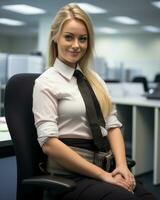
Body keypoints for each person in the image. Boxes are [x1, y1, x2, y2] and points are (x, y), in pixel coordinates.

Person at [32, 3, 156, 200]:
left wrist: (122, 167)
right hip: (72, 175)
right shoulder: (45, 83)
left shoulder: (95, 80)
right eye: (69, 37)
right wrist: (103, 176)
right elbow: (49, 144)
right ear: (55, 37)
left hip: (106, 167)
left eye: (83, 39)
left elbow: (112, 125)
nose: (76, 45)